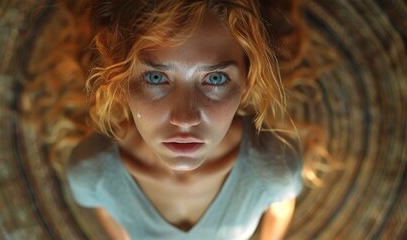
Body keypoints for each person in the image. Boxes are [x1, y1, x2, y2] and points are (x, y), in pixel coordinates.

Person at [66, 0, 303, 239]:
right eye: (156, 77)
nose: (185, 119)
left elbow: (280, 209)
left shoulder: (274, 169)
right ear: (120, 80)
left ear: (247, 81)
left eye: (216, 79)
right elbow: (108, 214)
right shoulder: (93, 174)